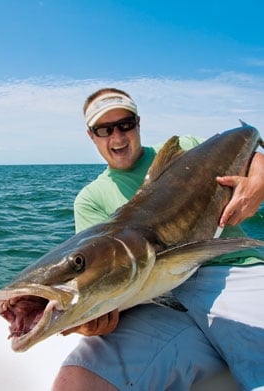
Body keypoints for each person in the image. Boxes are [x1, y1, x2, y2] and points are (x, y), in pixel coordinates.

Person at [52, 88, 264, 390]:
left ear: (138, 123)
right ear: (91, 135)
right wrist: (93, 319)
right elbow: (97, 276)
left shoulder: (187, 148)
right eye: (105, 129)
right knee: (75, 382)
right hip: (156, 303)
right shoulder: (90, 200)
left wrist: (260, 177)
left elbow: (250, 150)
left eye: (125, 124)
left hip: (231, 272)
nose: (118, 137)